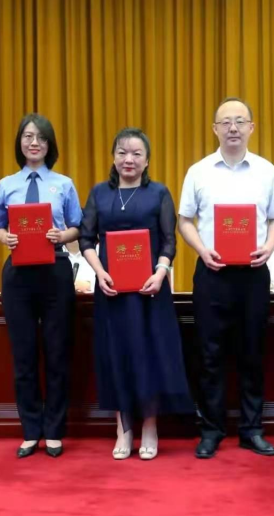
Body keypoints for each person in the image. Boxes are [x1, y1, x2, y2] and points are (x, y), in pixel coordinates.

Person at [179, 97, 274, 459]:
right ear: (215, 129)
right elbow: (184, 221)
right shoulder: (199, 171)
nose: (233, 128)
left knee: (252, 352)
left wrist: (269, 246)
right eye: (226, 122)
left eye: (240, 121)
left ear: (252, 128)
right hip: (213, 273)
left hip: (253, 274)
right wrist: (202, 250)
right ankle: (211, 430)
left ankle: (252, 429)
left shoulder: (266, 171)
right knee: (210, 354)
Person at [80, 127, 194, 461]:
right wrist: (99, 272)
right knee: (117, 355)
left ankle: (150, 427)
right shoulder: (100, 193)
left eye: (136, 154)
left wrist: (160, 273)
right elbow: (86, 239)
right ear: (113, 157)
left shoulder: (158, 193)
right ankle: (123, 428)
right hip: (112, 290)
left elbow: (169, 241)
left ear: (147, 161)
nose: (128, 159)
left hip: (150, 292)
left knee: (150, 355)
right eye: (122, 153)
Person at [0, 113, 82, 459]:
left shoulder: (64, 183)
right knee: (24, 355)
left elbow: (78, 226)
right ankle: (31, 430)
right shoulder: (6, 184)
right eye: (28, 136)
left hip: (55, 270)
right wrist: (5, 237)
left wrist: (63, 235)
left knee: (57, 353)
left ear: (49, 144)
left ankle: (54, 430)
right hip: (18, 274)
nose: (34, 142)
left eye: (41, 137)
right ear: (20, 142)